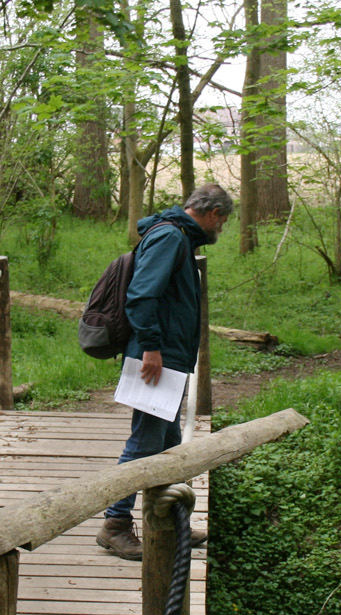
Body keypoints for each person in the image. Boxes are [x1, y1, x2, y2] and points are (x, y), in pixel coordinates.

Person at [96, 184, 235, 560]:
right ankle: (115, 523)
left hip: (167, 358)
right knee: (144, 444)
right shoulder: (171, 238)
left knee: (170, 442)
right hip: (156, 359)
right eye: (222, 220)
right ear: (211, 213)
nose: (221, 227)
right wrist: (152, 348)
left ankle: (171, 522)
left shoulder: (180, 238)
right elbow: (141, 295)